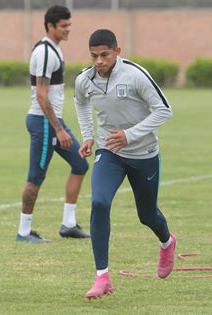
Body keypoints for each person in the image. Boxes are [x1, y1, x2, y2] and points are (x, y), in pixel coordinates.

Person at [74, 29, 176, 299]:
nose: (98, 61)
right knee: (99, 202)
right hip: (109, 153)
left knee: (147, 215)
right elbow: (81, 103)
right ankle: (102, 277)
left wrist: (130, 135)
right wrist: (87, 135)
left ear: (117, 52)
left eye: (104, 55)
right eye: (94, 56)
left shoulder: (135, 75)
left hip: (144, 154)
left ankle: (167, 242)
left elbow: (164, 110)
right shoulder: (85, 80)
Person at [16, 5, 90, 243]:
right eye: (64, 25)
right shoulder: (46, 53)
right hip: (44, 122)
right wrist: (57, 128)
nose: (69, 29)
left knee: (80, 164)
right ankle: (24, 232)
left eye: (70, 24)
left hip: (53, 121)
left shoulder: (54, 50)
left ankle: (68, 225)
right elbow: (41, 95)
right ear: (50, 26)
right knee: (36, 175)